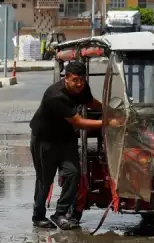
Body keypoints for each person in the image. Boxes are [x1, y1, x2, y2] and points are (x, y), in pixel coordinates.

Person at [29, 61, 117, 230]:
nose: (79, 84)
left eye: (82, 80)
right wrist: (107, 122)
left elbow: (91, 103)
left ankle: (60, 213)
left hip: (66, 138)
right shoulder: (56, 95)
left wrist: (109, 110)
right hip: (44, 140)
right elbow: (79, 122)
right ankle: (38, 216)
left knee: (73, 173)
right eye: (75, 80)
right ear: (66, 78)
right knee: (44, 179)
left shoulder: (82, 88)